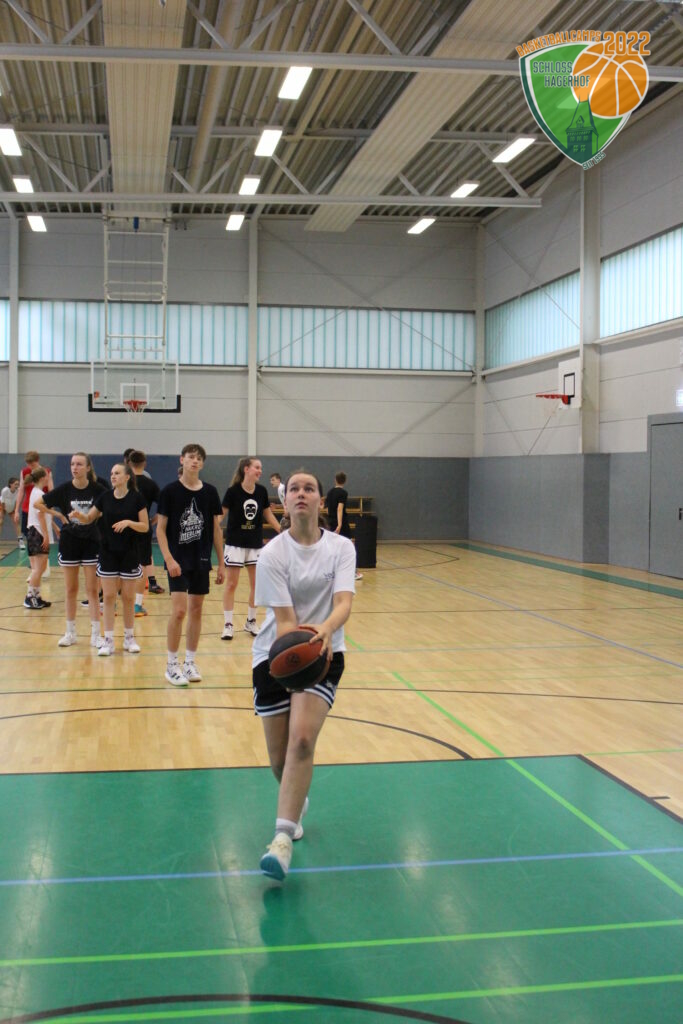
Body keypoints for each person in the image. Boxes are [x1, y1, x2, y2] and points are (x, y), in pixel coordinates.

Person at [253, 469, 356, 881]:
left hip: (325, 652)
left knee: (301, 740)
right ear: (285, 501)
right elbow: (284, 621)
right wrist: (300, 648)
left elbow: (344, 602)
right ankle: (296, 801)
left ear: (319, 501)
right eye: (293, 489)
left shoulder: (342, 548)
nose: (300, 493)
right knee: (280, 760)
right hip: (278, 652)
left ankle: (280, 843)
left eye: (309, 489)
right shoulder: (272, 554)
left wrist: (326, 631)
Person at [156, 443, 225, 686]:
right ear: (182, 460)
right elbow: (160, 529)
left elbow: (215, 530)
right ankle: (171, 665)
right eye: (191, 457)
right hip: (177, 561)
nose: (195, 461)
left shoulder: (210, 492)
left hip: (201, 559)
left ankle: (190, 662)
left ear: (202, 464)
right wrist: (168, 559)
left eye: (199, 458)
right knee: (179, 611)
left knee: (196, 610)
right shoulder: (170, 491)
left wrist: (222, 562)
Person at [69, 463, 148, 656]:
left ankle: (129, 638)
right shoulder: (105, 497)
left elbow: (145, 526)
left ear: (127, 477)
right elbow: (89, 518)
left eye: (117, 473)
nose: (113, 476)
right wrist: (80, 516)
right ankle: (109, 640)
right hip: (108, 552)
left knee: (128, 597)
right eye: (112, 473)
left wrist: (129, 523)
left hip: (129, 552)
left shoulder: (137, 498)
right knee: (109, 596)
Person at [37, 452, 107, 648]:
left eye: (79, 464)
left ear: (88, 468)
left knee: (92, 590)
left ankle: (96, 634)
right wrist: (58, 515)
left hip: (91, 541)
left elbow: (108, 507)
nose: (74, 467)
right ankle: (70, 633)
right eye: (72, 464)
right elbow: (38, 503)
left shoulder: (98, 490)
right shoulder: (64, 489)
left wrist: (97, 516)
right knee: (70, 589)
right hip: (69, 542)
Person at [220, 457, 281, 641]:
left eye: (260, 468)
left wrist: (282, 531)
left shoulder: (261, 491)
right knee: (231, 584)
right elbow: (220, 515)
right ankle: (228, 624)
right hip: (235, 543)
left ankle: (251, 621)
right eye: (257, 467)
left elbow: (268, 514)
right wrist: (210, 529)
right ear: (246, 469)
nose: (260, 470)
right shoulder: (233, 491)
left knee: (257, 585)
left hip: (254, 544)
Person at [128, 450, 164, 616]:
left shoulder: (124, 481)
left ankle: (113, 604)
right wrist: (153, 520)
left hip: (124, 529)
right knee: (142, 565)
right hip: (143, 528)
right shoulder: (151, 484)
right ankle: (137, 605)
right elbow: (164, 506)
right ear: (145, 464)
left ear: (129, 463)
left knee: (119, 564)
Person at [23, 467, 53, 609]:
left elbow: (44, 514)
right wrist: (46, 535)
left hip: (34, 531)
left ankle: (36, 596)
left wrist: (55, 528)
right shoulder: (40, 494)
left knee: (39, 568)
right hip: (38, 532)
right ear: (42, 478)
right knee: (38, 569)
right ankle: (29, 597)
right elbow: (40, 515)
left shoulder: (35, 492)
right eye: (47, 476)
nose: (48, 478)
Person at [325, 471, 363, 581]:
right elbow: (340, 508)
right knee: (349, 546)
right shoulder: (343, 493)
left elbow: (327, 509)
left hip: (330, 521)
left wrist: (332, 521)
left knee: (331, 547)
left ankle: (330, 572)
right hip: (340, 523)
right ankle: (353, 572)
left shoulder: (330, 492)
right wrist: (340, 524)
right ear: (345, 481)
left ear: (335, 480)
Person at [14, 451, 53, 550]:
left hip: (41, 508)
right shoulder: (24, 472)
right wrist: (16, 510)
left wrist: (51, 510)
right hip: (28, 509)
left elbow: (51, 491)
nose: (30, 466)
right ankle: (34, 556)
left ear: (37, 461)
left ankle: (41, 556)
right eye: (28, 464)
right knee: (30, 535)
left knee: (42, 534)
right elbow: (21, 491)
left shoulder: (46, 472)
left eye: (32, 464)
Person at [0, 477, 21, 544]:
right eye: (15, 484)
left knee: (16, 521)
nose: (17, 486)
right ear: (10, 484)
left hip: (12, 508)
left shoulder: (18, 491)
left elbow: (17, 502)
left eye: (18, 484)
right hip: (2, 506)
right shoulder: (5, 490)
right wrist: (2, 514)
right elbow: (2, 502)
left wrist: (16, 511)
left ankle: (20, 541)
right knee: (0, 522)